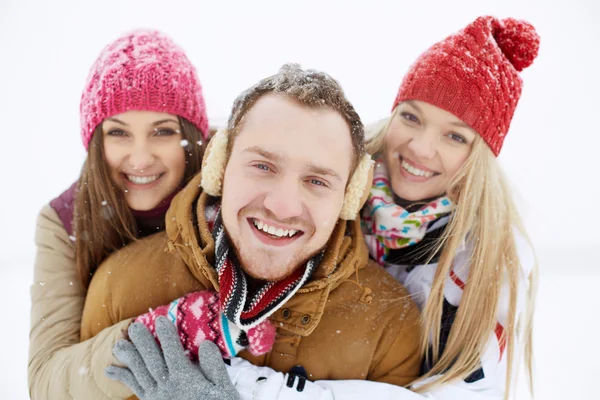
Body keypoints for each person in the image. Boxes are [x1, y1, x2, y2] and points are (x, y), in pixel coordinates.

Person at [104, 15, 540, 400]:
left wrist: (250, 389)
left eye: (456, 136)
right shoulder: (347, 165)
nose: (421, 147)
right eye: (411, 117)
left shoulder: (484, 263)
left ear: (482, 155)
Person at [80, 63, 423, 398]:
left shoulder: (390, 327)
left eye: (317, 181)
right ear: (221, 165)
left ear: (349, 197)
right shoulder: (120, 286)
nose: (282, 206)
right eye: (262, 166)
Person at [28, 29, 210, 399]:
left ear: (191, 137)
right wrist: (159, 333)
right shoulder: (64, 222)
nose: (140, 158)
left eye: (162, 131)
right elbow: (46, 380)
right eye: (119, 133)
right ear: (96, 142)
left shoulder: (229, 176)